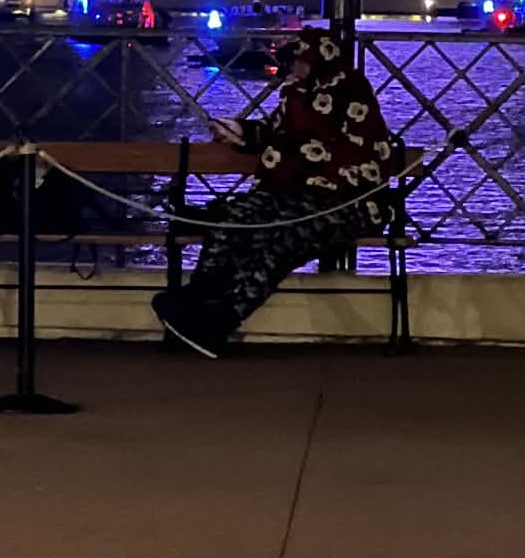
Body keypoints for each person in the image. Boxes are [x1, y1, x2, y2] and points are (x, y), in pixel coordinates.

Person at [151, 28, 399, 357]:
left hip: (345, 198)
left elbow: (336, 150)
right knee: (234, 220)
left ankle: (221, 321)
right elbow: (278, 133)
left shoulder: (349, 89)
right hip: (291, 190)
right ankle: (198, 298)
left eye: (297, 60)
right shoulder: (294, 93)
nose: (293, 68)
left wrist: (287, 158)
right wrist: (240, 132)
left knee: (279, 240)